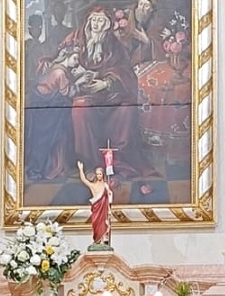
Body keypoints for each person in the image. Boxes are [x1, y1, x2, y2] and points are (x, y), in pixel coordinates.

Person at [59, 6, 151, 178]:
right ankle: (89, 163)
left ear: (108, 24)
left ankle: (119, 160)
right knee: (80, 108)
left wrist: (106, 83)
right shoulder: (74, 39)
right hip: (82, 91)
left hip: (108, 93)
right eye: (93, 20)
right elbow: (60, 61)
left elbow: (125, 70)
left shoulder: (114, 44)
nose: (96, 24)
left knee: (127, 108)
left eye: (101, 20)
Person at [77, 160, 112, 247]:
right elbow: (84, 180)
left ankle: (103, 241)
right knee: (95, 225)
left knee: (103, 225)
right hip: (96, 209)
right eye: (97, 174)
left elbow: (109, 195)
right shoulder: (93, 185)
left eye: (100, 174)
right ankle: (96, 241)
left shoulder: (105, 185)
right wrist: (81, 169)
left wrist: (109, 207)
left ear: (103, 175)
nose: (99, 175)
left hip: (103, 210)